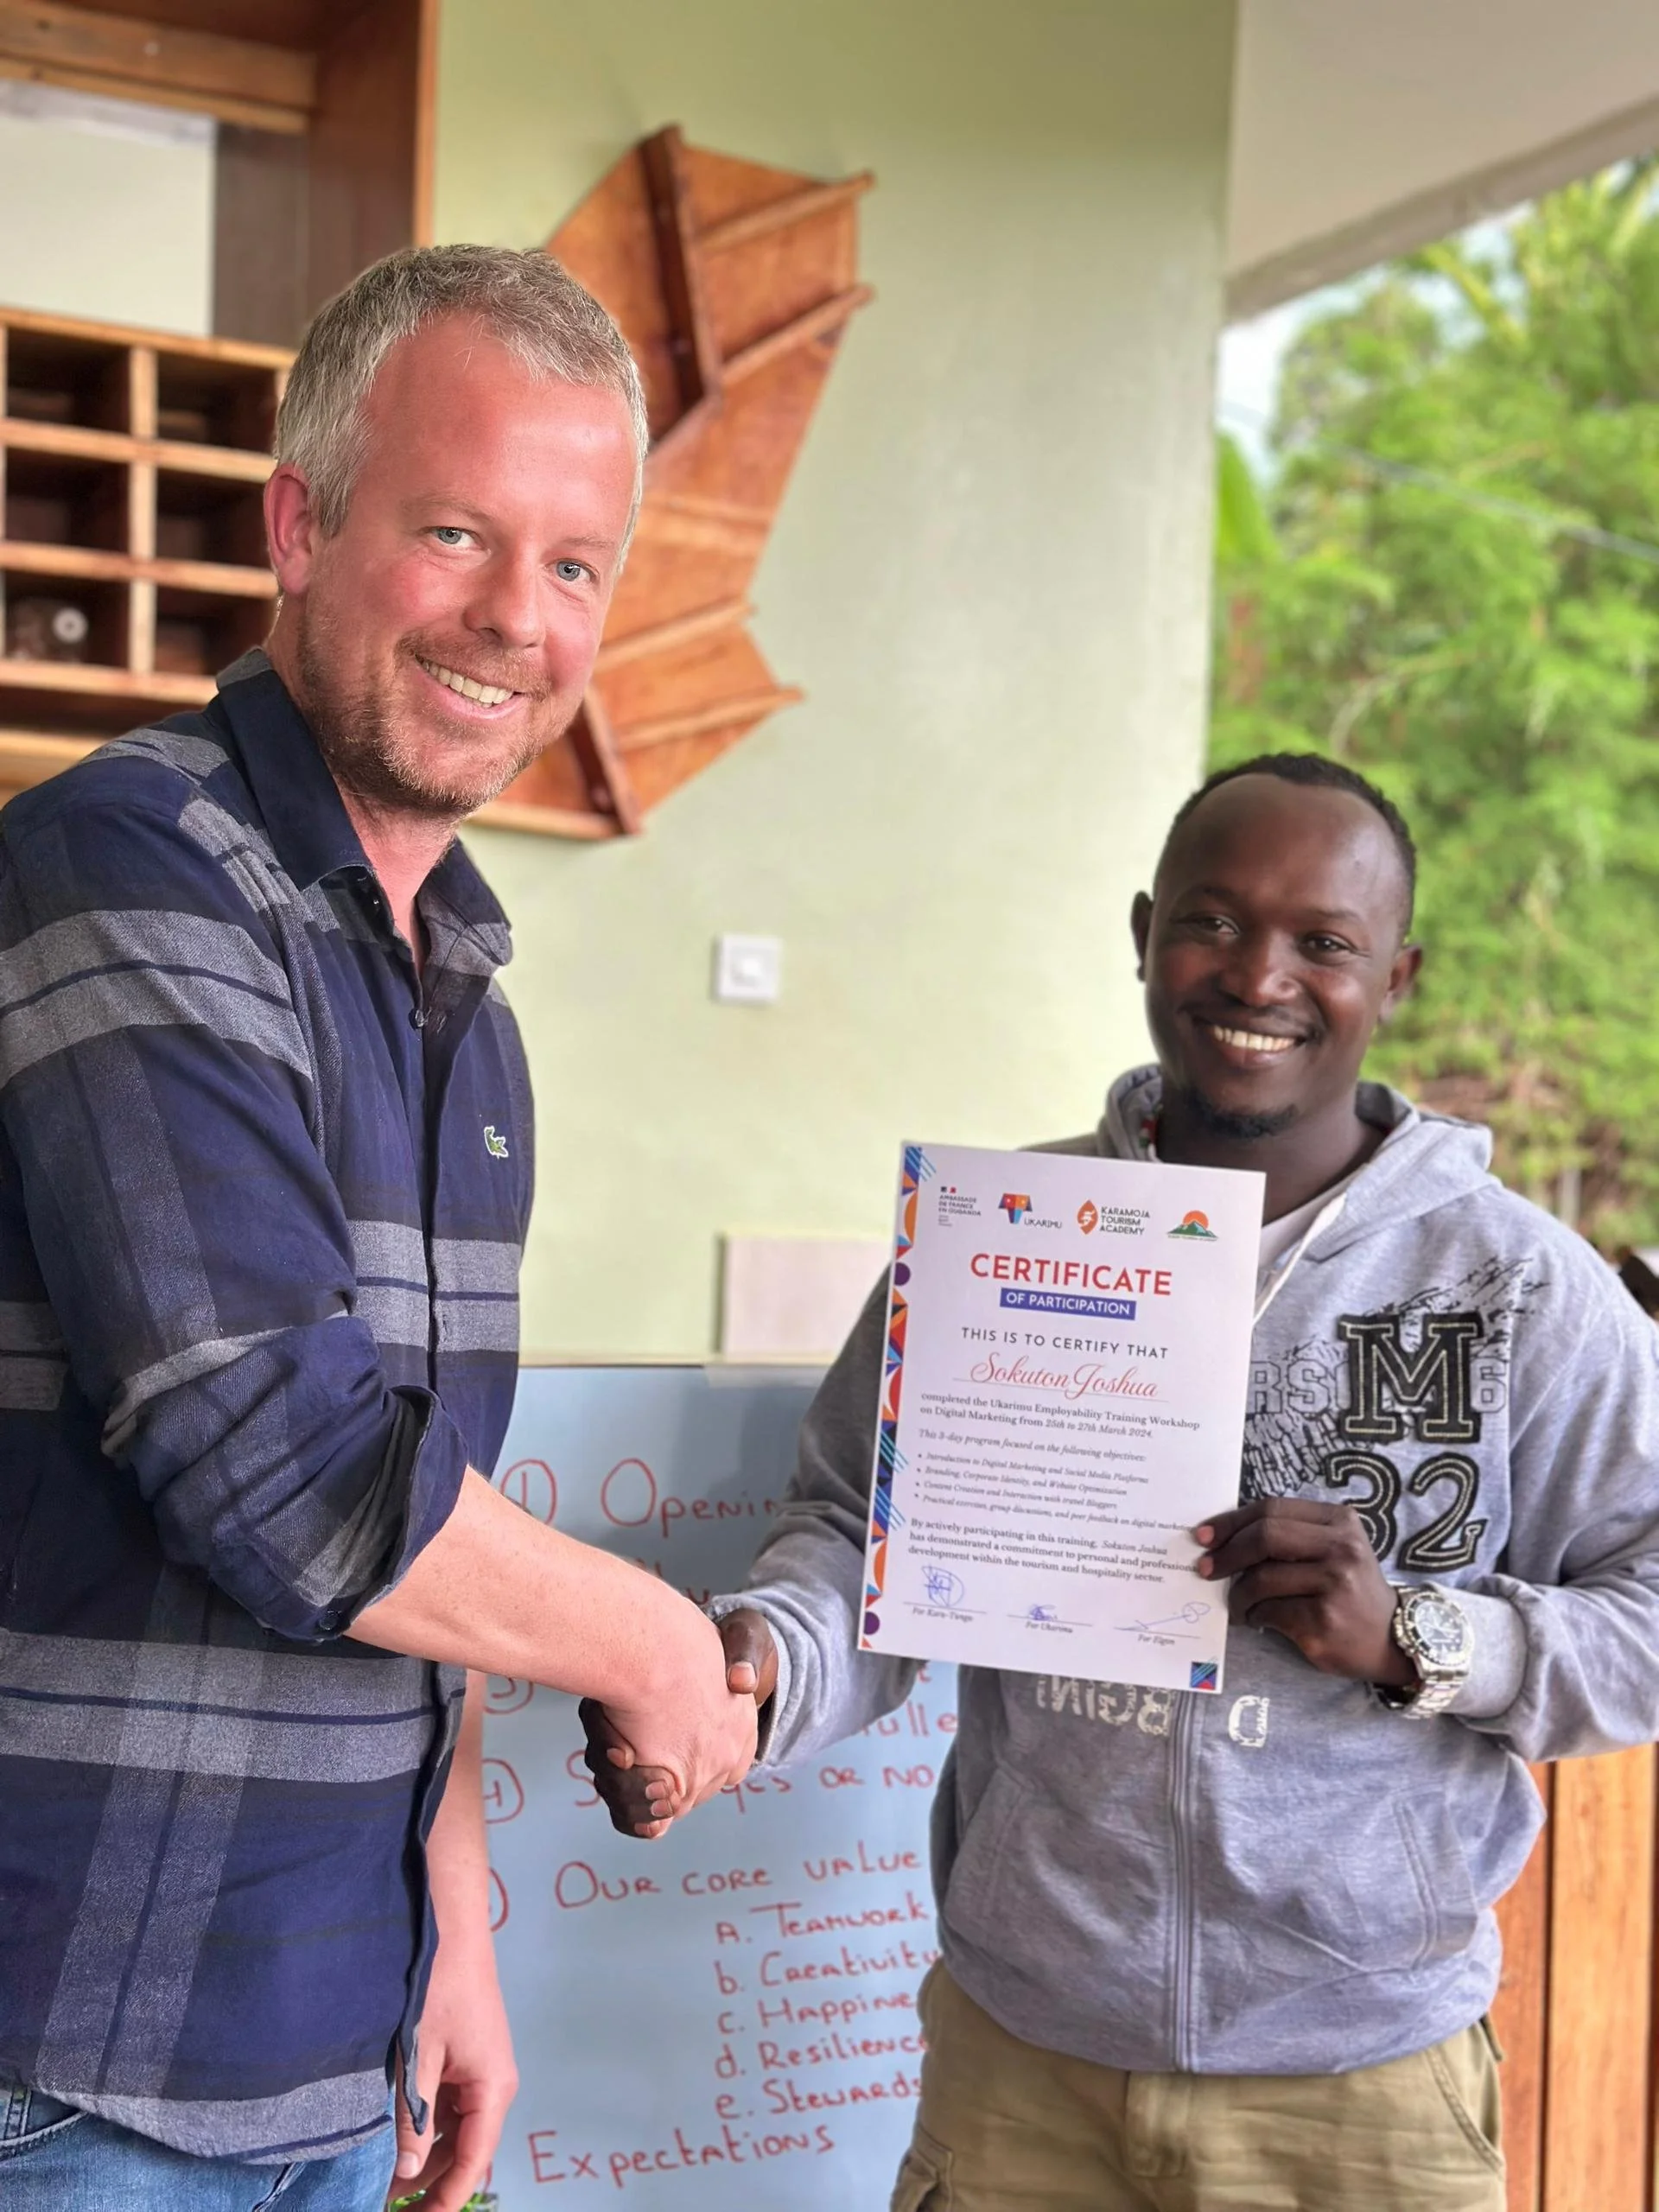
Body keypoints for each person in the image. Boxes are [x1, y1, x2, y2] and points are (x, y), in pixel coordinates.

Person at [586, 753, 1659, 2212]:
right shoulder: (1004, 1239)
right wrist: (756, 1671)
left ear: (1395, 977)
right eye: (1214, 920)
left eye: (1324, 940)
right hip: (1022, 2069)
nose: (1260, 975)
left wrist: (1420, 1638)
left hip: (1360, 2095)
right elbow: (860, 1538)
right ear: (1147, 933)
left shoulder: (1517, 1283)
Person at [0, 245, 753, 2212]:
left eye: (575, 562)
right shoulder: (121, 863)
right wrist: (657, 1641)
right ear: (299, 527)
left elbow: (426, 1504)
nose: (518, 616)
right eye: (454, 533)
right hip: (70, 2065)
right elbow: (278, 1458)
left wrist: (453, 1924)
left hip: (338, 2038)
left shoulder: (468, 1005)